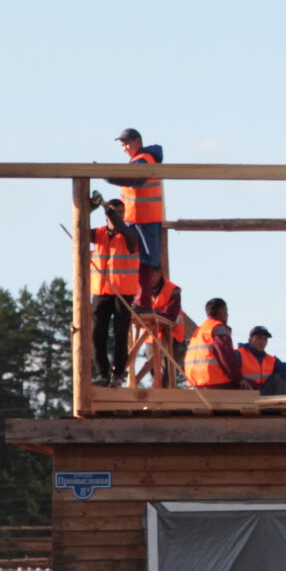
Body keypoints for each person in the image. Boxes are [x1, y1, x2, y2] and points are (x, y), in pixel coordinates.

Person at [87, 197, 143, 386]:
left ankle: (118, 374)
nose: (118, 216)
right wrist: (90, 209)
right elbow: (80, 230)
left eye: (121, 212)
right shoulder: (99, 233)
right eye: (114, 212)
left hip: (123, 292)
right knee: (98, 334)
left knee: (120, 335)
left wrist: (106, 207)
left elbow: (122, 227)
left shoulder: (131, 235)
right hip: (101, 291)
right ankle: (103, 374)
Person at [109, 128, 165, 280]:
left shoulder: (144, 159)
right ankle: (139, 298)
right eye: (122, 145)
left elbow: (134, 179)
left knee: (146, 263)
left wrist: (108, 175)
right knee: (137, 261)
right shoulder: (138, 160)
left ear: (138, 142)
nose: (124, 148)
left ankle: (144, 300)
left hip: (145, 220)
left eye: (127, 144)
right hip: (136, 219)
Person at [235, 326, 286, 395]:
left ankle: (279, 407)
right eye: (259, 338)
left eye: (265, 339)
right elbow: (230, 372)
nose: (262, 342)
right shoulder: (239, 354)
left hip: (263, 397)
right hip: (243, 397)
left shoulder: (271, 361)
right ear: (250, 339)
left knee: (281, 376)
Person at [183, 296, 242, 389]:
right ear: (221, 312)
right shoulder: (218, 328)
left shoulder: (200, 330)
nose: (227, 315)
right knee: (249, 389)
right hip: (214, 381)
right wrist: (239, 379)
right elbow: (226, 358)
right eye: (226, 311)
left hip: (196, 382)